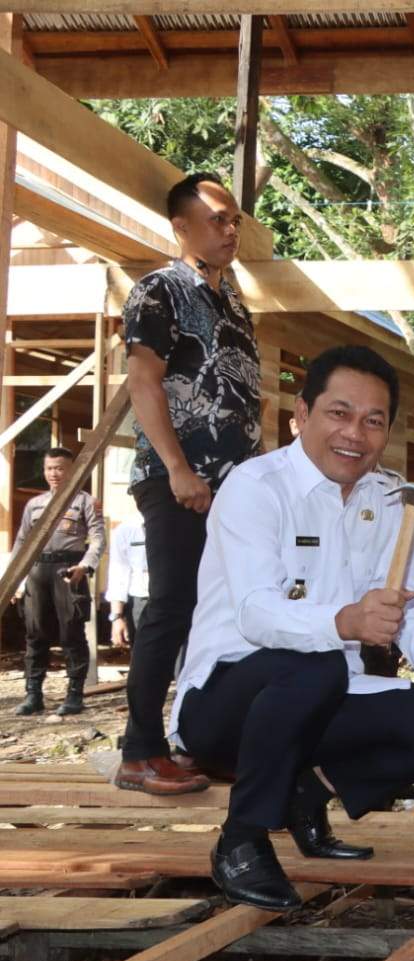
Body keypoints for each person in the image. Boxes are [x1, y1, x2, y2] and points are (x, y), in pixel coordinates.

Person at [171, 346, 414, 911]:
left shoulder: (388, 501)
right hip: (225, 704)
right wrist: (344, 621)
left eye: (373, 421)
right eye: (339, 413)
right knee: (313, 663)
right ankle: (241, 839)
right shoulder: (256, 487)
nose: (355, 434)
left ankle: (304, 796)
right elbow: (255, 613)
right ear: (302, 414)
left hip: (317, 698)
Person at [116, 172, 263, 796]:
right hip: (178, 480)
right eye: (217, 220)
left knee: (228, 612)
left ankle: (206, 740)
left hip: (233, 488)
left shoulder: (233, 300)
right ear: (181, 227)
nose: (231, 230)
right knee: (171, 608)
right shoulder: (157, 291)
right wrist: (178, 468)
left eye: (234, 220)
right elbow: (143, 382)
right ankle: (139, 750)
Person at [11, 448, 103, 717]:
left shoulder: (85, 501)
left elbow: (98, 538)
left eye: (60, 468)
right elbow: (21, 543)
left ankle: (74, 695)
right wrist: (16, 578)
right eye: (49, 468)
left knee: (71, 633)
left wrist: (85, 566)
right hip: (38, 571)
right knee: (35, 633)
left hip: (69, 570)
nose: (54, 473)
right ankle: (33, 694)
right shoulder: (34, 504)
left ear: (72, 469)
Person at [106, 511, 150, 651]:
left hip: (179, 599)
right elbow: (119, 572)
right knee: (144, 660)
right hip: (141, 602)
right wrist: (116, 617)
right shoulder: (127, 529)